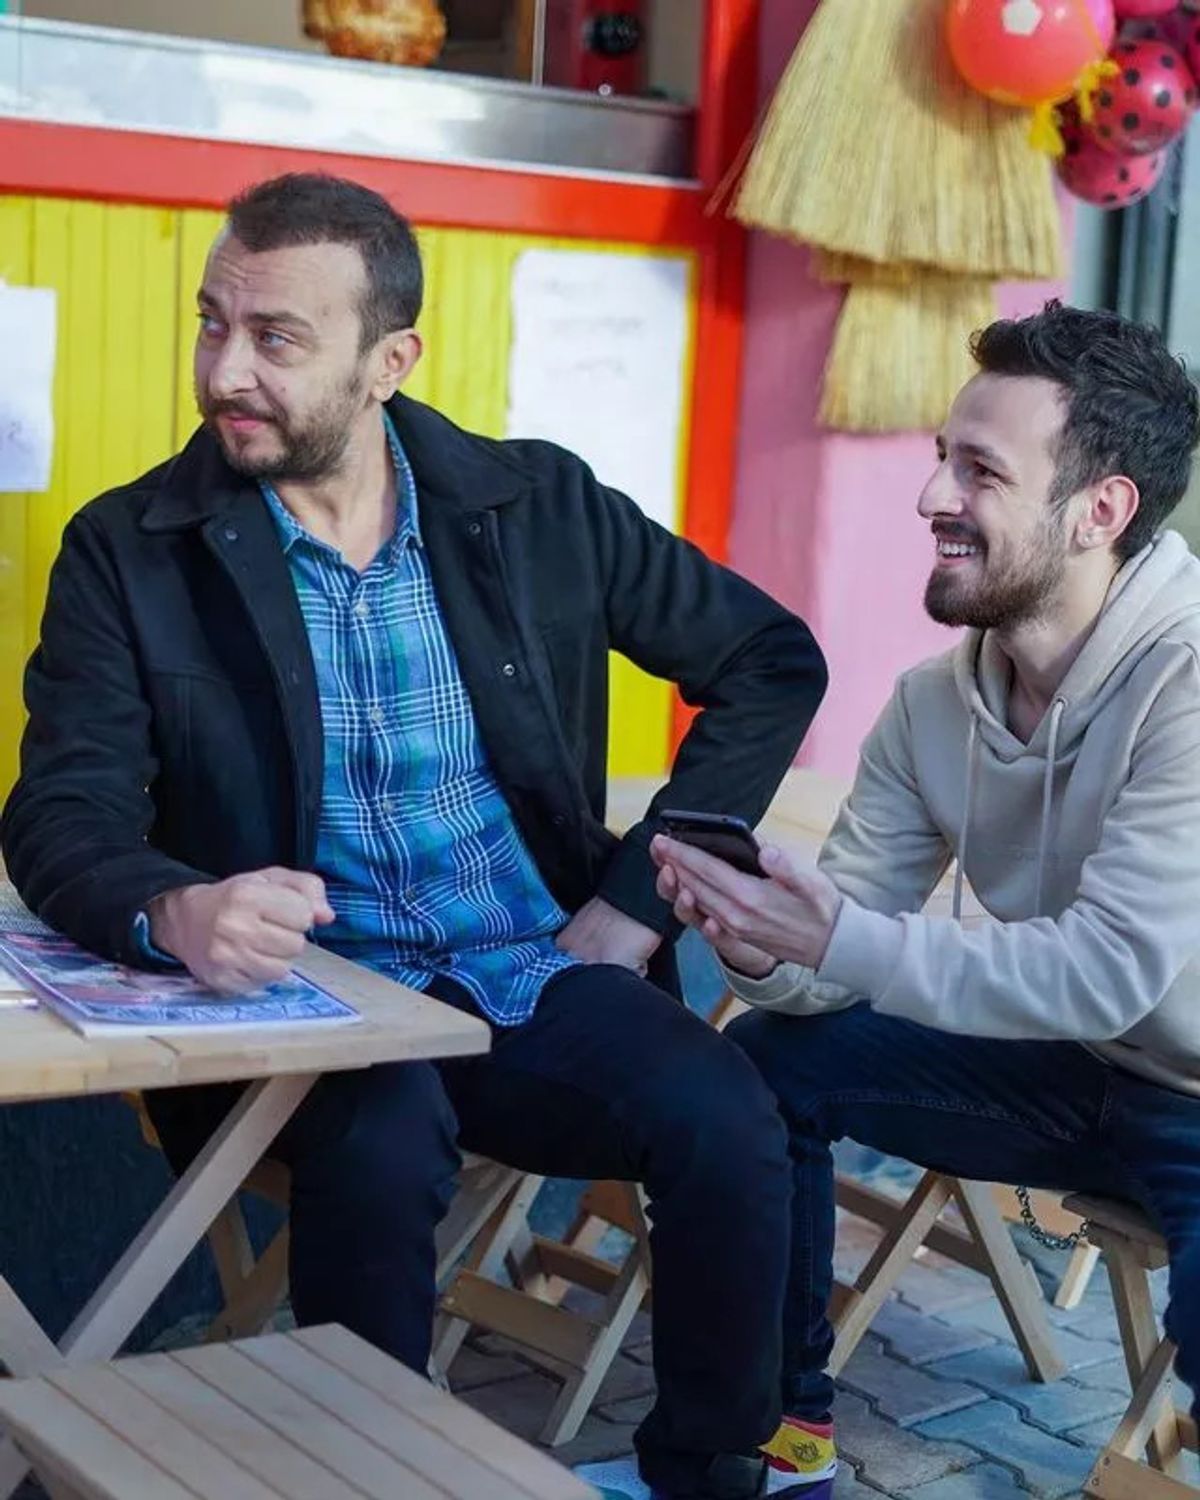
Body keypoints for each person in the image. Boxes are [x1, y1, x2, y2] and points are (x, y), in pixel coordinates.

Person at [1, 173, 829, 1500]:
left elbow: (768, 661)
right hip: (313, 1003)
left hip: (533, 966)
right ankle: (368, 1480)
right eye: (213, 323)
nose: (224, 369)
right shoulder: (130, 550)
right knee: (378, 1146)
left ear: (391, 361)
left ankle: (711, 1472)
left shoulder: (537, 506)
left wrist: (638, 900)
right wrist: (174, 908)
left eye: (276, 338)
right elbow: (60, 810)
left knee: (730, 1113)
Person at [652, 300, 1200, 1487]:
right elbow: (834, 940)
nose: (930, 498)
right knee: (767, 1065)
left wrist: (841, 938)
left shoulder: (1189, 681)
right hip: (1080, 1069)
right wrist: (757, 936)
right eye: (942, 458)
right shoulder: (932, 704)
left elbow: (1109, 967)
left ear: (1100, 511)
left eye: (980, 472)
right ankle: (781, 1436)